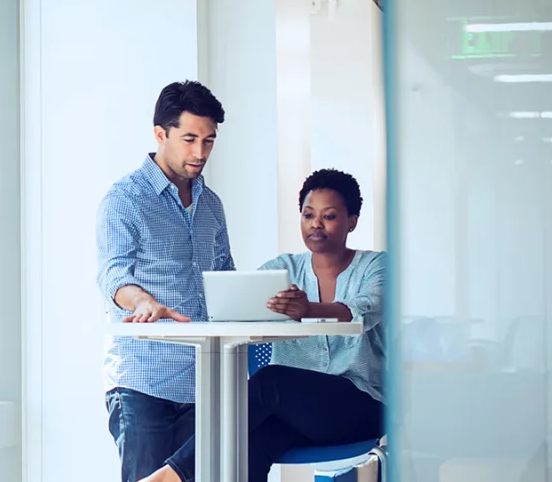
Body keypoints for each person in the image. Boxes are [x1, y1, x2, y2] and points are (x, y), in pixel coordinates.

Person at [139, 168, 386, 482]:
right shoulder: (281, 270)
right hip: (298, 416)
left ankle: (168, 476)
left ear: (352, 221)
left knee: (270, 381)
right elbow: (235, 304)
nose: (316, 225)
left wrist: (308, 309)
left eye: (329, 216)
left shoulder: (376, 266)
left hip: (361, 407)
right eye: (308, 215)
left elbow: (365, 309)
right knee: (249, 447)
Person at [97, 80, 234, 482]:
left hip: (204, 382)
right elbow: (113, 273)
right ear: (161, 134)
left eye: (209, 141)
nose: (200, 152)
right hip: (144, 382)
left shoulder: (211, 205)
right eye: (189, 139)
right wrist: (140, 301)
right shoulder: (125, 199)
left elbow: (224, 278)